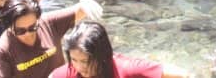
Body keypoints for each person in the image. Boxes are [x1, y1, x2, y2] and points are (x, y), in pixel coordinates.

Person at [0, 0, 93, 78]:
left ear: (38, 19)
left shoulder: (48, 23)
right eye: (20, 31)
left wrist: (86, 3)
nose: (28, 34)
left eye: (32, 28)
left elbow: (80, 10)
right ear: (9, 27)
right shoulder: (4, 49)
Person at [50, 20, 188, 78]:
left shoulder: (126, 69)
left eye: (85, 61)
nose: (79, 67)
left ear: (102, 55)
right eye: (74, 60)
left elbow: (181, 74)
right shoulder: (66, 74)